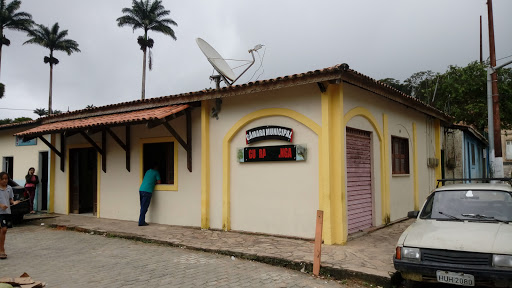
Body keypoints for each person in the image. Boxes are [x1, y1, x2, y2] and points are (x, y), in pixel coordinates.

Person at [0, 171, 20, 259]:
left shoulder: (9, 188)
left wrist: (13, 202)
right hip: (0, 212)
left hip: (7, 212)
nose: (5, 181)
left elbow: (10, 199)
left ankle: (1, 248)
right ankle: (2, 250)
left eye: (6, 179)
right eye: (2, 179)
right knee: (3, 229)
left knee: (4, 231)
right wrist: (1, 205)